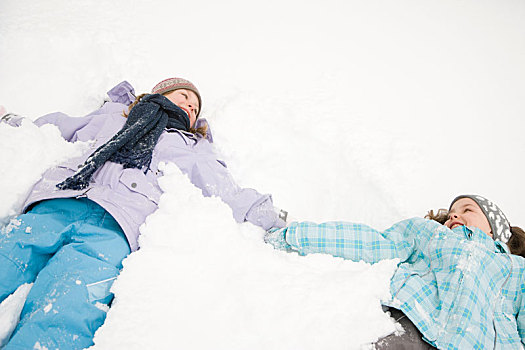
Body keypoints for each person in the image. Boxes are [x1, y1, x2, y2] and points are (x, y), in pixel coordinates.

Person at [0, 77, 287, 349]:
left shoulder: (192, 146)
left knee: (71, 304)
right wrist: (9, 121)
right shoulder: (115, 116)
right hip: (60, 201)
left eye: (195, 107)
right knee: (7, 258)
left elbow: (227, 191)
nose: (190, 105)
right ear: (160, 93)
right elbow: (54, 128)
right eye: (184, 96)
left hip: (115, 228)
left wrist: (270, 218)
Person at [265, 194, 525, 349]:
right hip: (417, 327)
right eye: (451, 213)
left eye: (467, 210)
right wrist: (296, 234)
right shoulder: (431, 235)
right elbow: (370, 243)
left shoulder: (515, 269)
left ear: (495, 229)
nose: (454, 217)